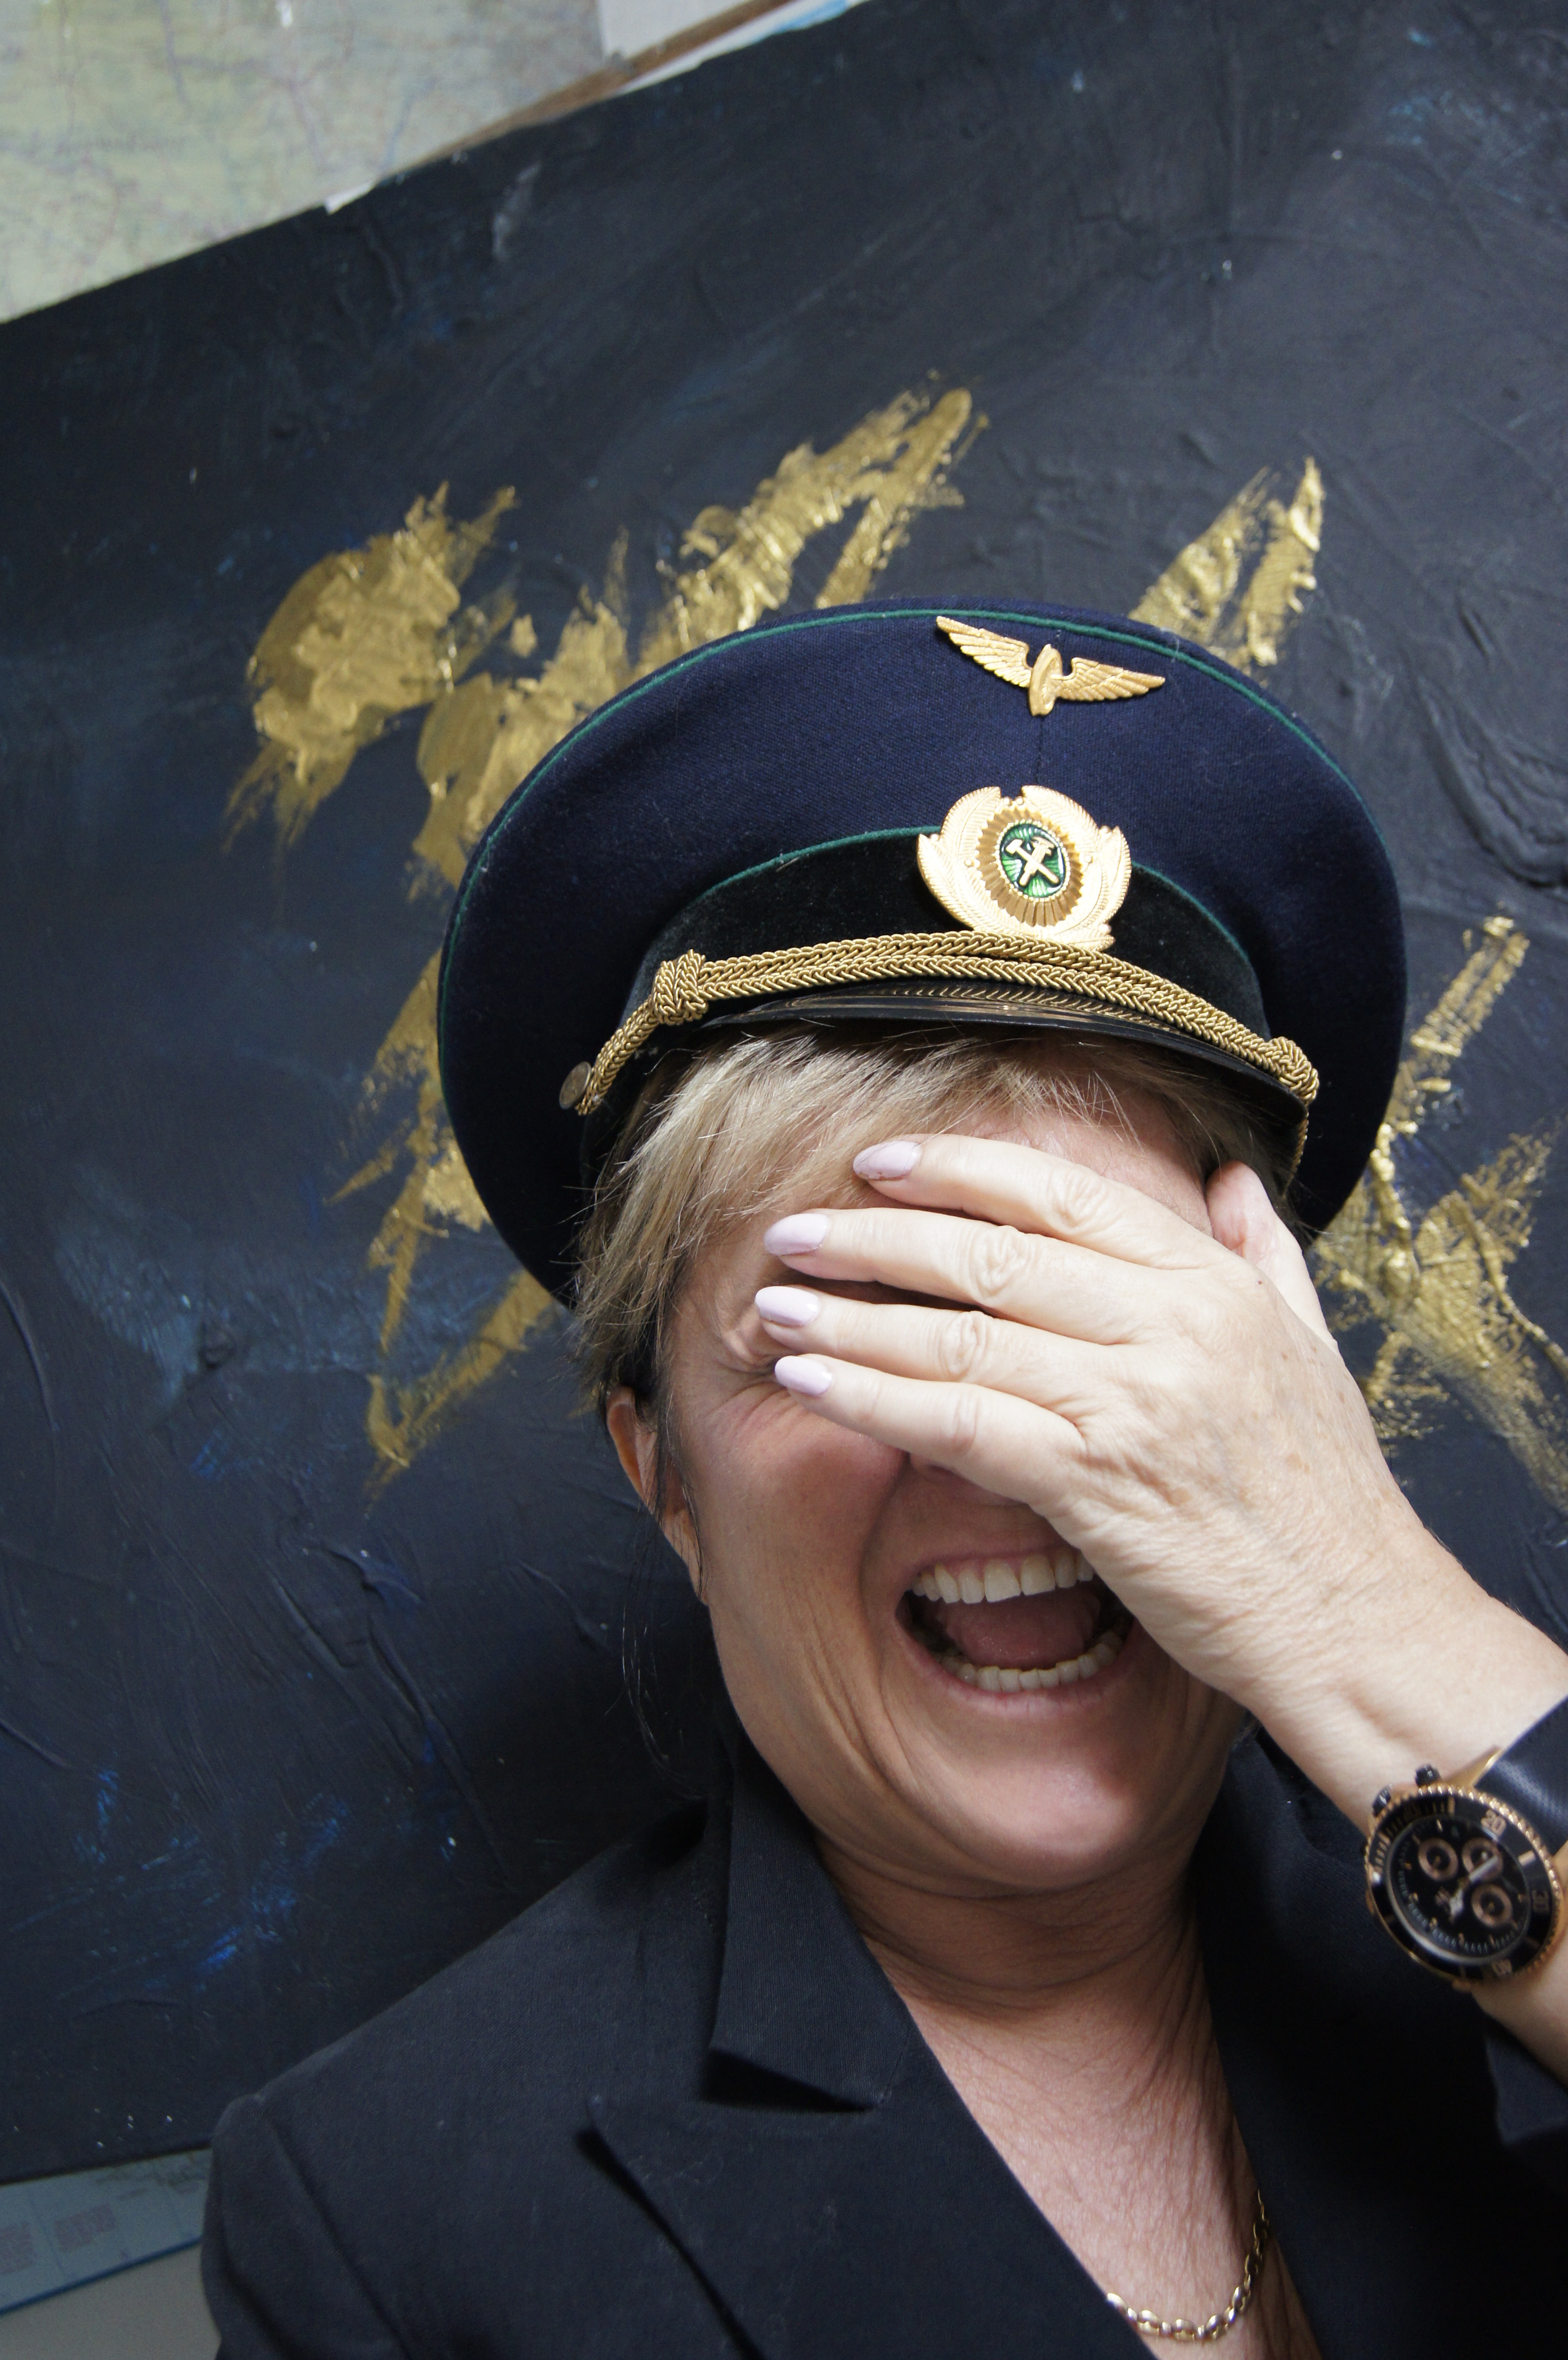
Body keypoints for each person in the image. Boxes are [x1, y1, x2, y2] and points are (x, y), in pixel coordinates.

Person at [202, 600, 1568, 2357]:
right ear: (666, 1477)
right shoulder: (387, 2223)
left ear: (1276, 1386)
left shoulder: (1494, 1941)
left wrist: (1370, 1604)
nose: (1000, 1437)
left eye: (1105, 1318)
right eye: (862, 1321)